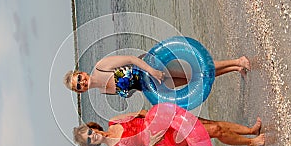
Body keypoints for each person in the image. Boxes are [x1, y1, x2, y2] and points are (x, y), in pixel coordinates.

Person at [73, 109, 265, 146]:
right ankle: (250, 143)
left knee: (210, 124)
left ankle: (249, 130)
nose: (93, 137)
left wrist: (155, 116)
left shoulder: (114, 121)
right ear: (92, 145)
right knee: (214, 131)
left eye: (89, 133)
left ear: (92, 128)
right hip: (167, 140)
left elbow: (141, 112)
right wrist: (153, 142)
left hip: (167, 121)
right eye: (89, 140)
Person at [63, 55, 251, 97]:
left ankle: (238, 60)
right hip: (153, 85)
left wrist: (153, 71)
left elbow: (130, 58)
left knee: (194, 71)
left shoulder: (100, 67)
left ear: (82, 73)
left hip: (153, 68)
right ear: (81, 91)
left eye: (79, 78)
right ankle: (234, 69)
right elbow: (132, 89)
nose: (82, 83)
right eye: (78, 86)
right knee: (195, 80)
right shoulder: (104, 92)